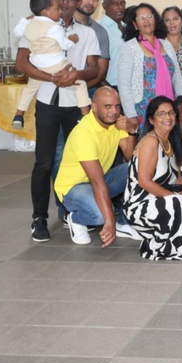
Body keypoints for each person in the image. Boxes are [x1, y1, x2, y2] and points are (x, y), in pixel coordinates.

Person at [15, 0, 102, 242]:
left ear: (78, 3)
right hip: (47, 101)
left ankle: (70, 210)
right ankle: (39, 218)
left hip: (75, 105)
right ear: (54, 1)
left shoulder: (87, 34)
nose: (65, 2)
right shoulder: (35, 26)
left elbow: (93, 70)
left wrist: (75, 74)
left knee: (76, 161)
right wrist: (51, 78)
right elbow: (21, 63)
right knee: (44, 161)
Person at [123, 96, 182, 260]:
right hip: (140, 207)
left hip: (163, 202)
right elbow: (144, 182)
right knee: (176, 202)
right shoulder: (150, 141)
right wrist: (175, 199)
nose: (168, 117)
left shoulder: (170, 142)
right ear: (151, 119)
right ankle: (169, 250)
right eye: (161, 114)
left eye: (171, 113)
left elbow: (179, 181)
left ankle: (162, 241)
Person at [54, 87, 137, 246]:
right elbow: (97, 182)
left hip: (99, 180)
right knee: (100, 216)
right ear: (94, 107)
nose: (114, 111)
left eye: (117, 106)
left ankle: (123, 223)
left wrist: (132, 130)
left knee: (137, 169)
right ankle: (74, 218)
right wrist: (109, 220)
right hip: (73, 187)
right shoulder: (84, 133)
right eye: (108, 106)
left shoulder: (116, 123)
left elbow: (131, 156)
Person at [12, 0, 90, 129]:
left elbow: (17, 31)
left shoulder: (29, 25)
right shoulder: (54, 28)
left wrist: (26, 20)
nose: (60, 11)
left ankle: (19, 115)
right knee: (80, 83)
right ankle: (85, 115)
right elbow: (65, 45)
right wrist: (72, 40)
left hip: (37, 65)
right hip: (55, 64)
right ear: (45, 12)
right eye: (57, 8)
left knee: (30, 88)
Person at [118, 3, 182, 133]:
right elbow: (124, 85)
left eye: (149, 16)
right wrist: (131, 115)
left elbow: (177, 77)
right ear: (135, 24)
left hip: (169, 109)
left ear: (155, 19)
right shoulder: (129, 48)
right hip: (143, 110)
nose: (146, 21)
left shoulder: (166, 44)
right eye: (141, 18)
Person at [74, 0, 110, 92]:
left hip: (87, 91)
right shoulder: (60, 25)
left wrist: (80, 91)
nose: (91, 2)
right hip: (57, 89)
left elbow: (101, 73)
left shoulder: (100, 31)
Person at [98, 0, 127, 90]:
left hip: (130, 86)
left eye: (122, 3)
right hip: (111, 86)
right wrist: (110, 90)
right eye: (115, 4)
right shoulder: (100, 29)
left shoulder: (128, 28)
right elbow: (95, 67)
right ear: (104, 6)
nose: (120, 7)